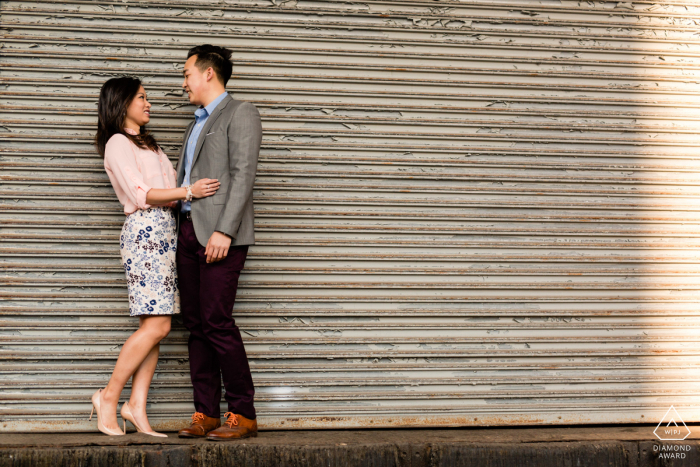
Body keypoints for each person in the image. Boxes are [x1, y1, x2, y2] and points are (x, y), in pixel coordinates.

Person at [92, 76, 220, 436]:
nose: (148, 103)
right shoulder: (117, 143)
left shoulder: (149, 145)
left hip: (166, 237)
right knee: (159, 325)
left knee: (153, 329)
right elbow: (142, 193)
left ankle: (136, 406)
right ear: (121, 104)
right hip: (145, 236)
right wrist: (189, 191)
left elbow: (171, 194)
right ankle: (108, 396)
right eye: (141, 98)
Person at [175, 44, 262, 441]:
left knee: (216, 321)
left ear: (209, 73)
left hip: (220, 236)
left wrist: (224, 231)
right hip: (190, 231)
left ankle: (242, 412)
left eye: (187, 73)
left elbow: (243, 175)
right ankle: (205, 412)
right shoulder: (197, 122)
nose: (184, 82)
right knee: (195, 324)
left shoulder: (240, 112)